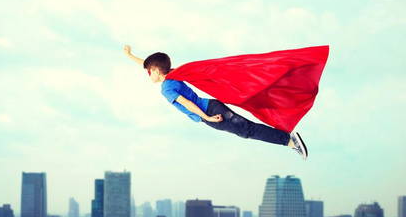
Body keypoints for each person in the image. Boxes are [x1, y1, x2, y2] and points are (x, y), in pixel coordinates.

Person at [123, 45, 309, 159]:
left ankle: (289, 141)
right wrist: (130, 55)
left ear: (156, 71)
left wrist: (207, 118)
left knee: (247, 130)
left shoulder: (167, 88)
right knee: (246, 130)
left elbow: (188, 104)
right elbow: (148, 63)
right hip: (212, 106)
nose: (147, 74)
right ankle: (287, 139)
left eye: (149, 71)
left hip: (210, 112)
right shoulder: (173, 74)